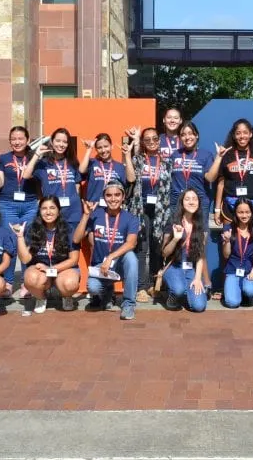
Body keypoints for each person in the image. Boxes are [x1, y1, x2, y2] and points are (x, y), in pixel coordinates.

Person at [73, 180, 140, 320]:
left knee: (131, 258)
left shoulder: (131, 218)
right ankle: (108, 293)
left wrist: (111, 257)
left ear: (123, 197)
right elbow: (76, 239)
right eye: (109, 195)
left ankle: (128, 304)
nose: (113, 198)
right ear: (104, 197)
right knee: (92, 287)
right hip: (100, 267)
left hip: (119, 265)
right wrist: (86, 215)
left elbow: (131, 243)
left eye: (117, 195)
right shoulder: (95, 215)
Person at [0, 126, 40, 293]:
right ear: (10, 141)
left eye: (21, 139)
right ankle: (9, 282)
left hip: (30, 205)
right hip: (7, 205)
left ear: (28, 140)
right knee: (9, 243)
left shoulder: (35, 158)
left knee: (27, 242)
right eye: (14, 139)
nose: (17, 142)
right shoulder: (3, 158)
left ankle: (26, 283)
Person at [124, 127, 172, 303]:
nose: (152, 142)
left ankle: (155, 284)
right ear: (143, 142)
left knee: (158, 246)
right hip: (140, 208)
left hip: (161, 210)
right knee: (142, 248)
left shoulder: (167, 163)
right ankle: (141, 287)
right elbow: (130, 179)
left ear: (159, 141)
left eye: (155, 139)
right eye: (147, 140)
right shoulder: (137, 160)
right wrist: (128, 157)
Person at [16, 197, 81, 315]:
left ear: (58, 210)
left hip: (63, 269)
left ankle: (66, 296)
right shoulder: (33, 228)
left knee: (70, 283)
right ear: (39, 211)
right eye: (44, 208)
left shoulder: (68, 229)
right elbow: (25, 259)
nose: (48, 212)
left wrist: (51, 269)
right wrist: (20, 237)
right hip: (40, 270)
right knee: (30, 279)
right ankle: (41, 297)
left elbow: (74, 259)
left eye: (52, 208)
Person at [160, 189, 209, 313]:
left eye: (194, 199)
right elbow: (164, 253)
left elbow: (200, 255)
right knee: (178, 289)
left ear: (198, 202)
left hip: (191, 268)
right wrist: (175, 239)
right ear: (182, 203)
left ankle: (184, 291)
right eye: (187, 199)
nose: (191, 202)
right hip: (174, 266)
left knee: (199, 306)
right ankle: (174, 296)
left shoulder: (201, 224)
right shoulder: (172, 222)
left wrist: (198, 278)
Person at [169, 120, 218, 224]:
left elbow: (210, 178)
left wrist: (219, 158)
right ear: (180, 138)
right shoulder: (175, 155)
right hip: (177, 200)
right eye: (183, 135)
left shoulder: (206, 155)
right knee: (176, 234)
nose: (187, 137)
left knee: (200, 235)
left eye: (190, 133)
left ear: (197, 136)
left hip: (199, 201)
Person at [220, 198, 253, 309]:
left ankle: (249, 294)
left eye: (247, 212)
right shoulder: (228, 229)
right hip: (233, 271)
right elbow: (226, 255)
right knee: (232, 303)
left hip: (250, 271)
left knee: (250, 290)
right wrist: (227, 241)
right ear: (235, 213)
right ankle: (238, 293)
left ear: (252, 212)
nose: (244, 215)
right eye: (240, 212)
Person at [78, 133, 128, 207]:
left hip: (113, 208)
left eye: (106, 146)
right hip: (94, 209)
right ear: (96, 149)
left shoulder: (120, 167)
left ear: (112, 146)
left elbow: (124, 189)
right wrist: (88, 150)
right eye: (99, 147)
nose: (103, 150)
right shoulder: (92, 163)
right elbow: (81, 170)